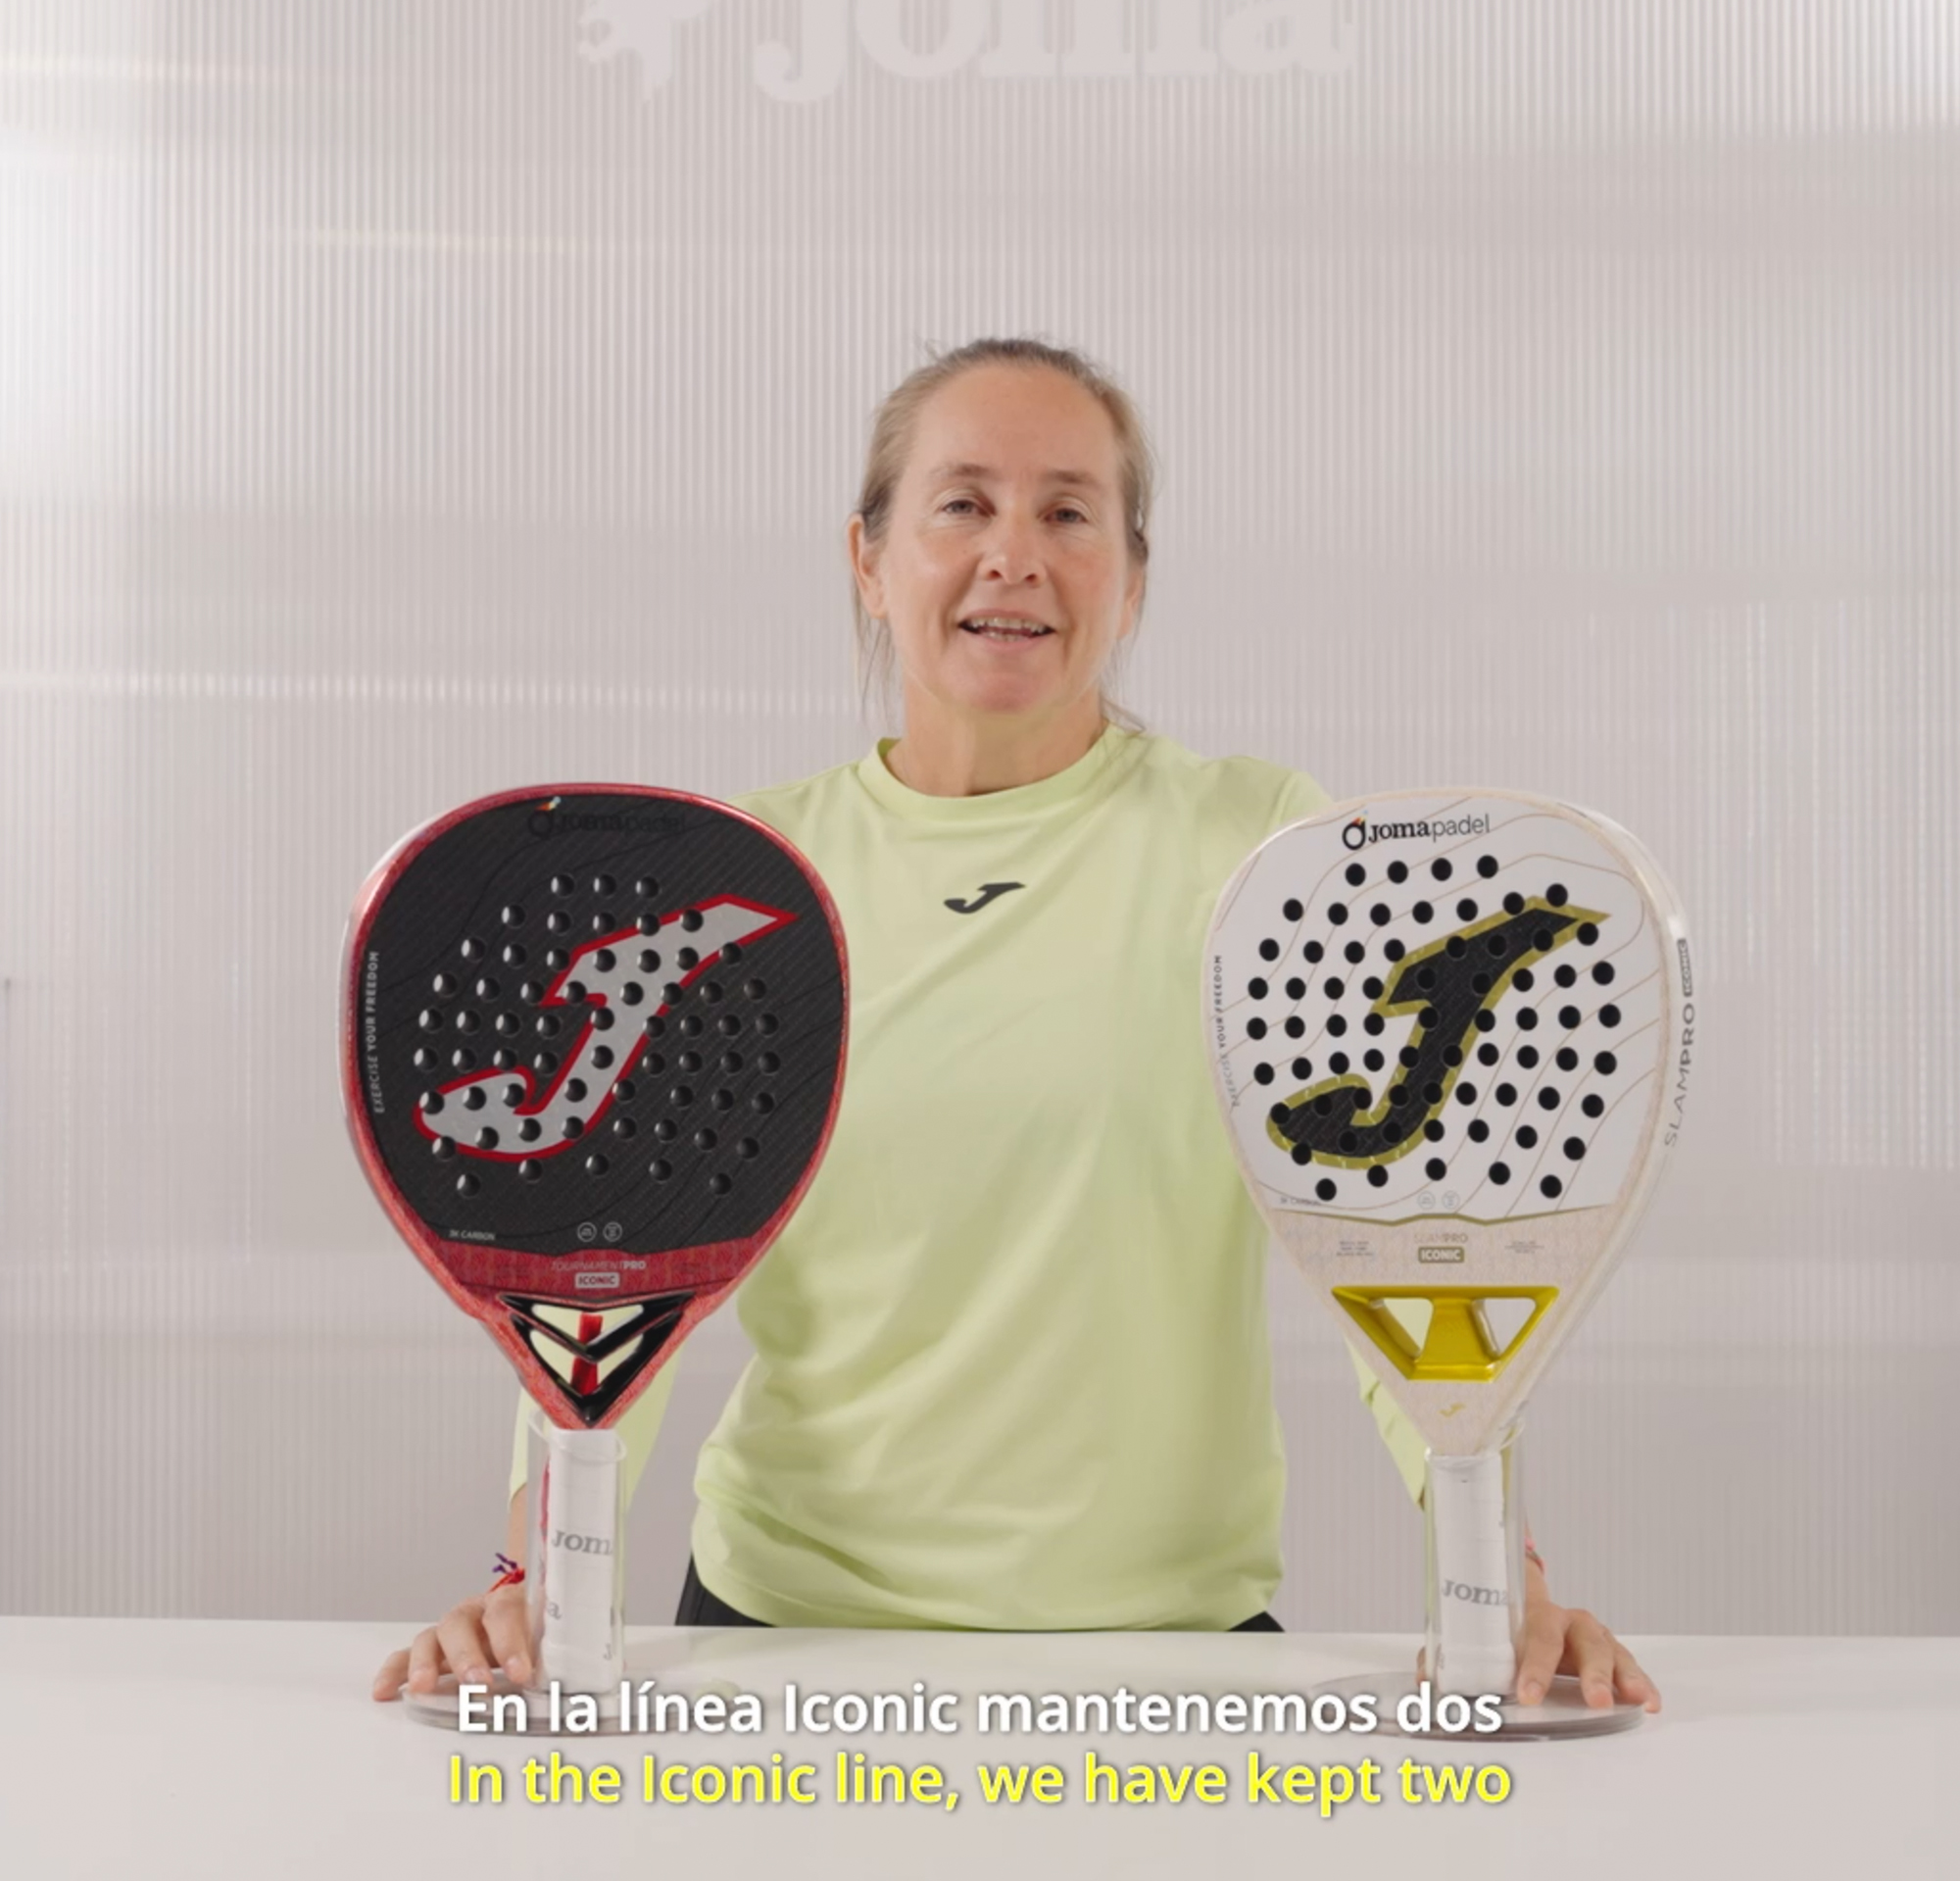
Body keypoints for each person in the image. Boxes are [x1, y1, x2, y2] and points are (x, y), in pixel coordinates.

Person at [373, 337, 1660, 1713]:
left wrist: (1507, 1583)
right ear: (869, 561)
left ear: (1132, 576)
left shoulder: (1260, 847)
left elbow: (1390, 1233)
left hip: (1172, 1654)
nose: (1015, 556)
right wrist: (529, 1582)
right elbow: (615, 1255)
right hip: (789, 1641)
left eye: (1068, 512)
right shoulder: (747, 883)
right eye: (962, 504)